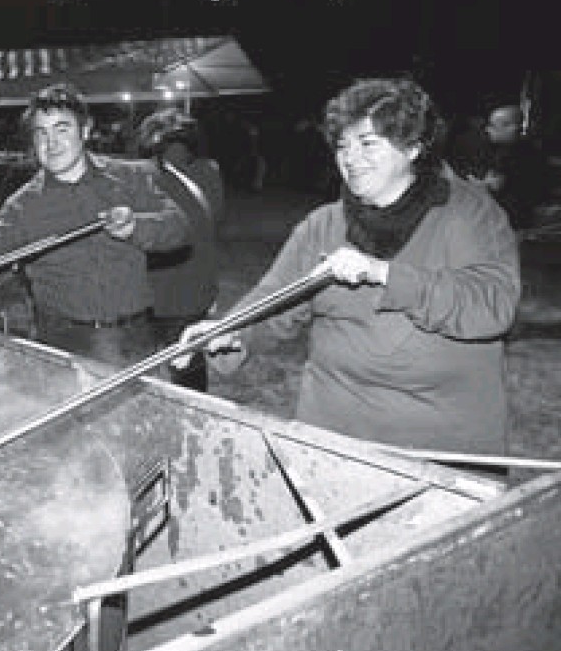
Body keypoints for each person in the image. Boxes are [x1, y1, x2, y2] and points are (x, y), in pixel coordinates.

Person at [178, 78, 521, 460]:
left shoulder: (470, 215)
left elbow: (492, 306)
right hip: (333, 438)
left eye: (367, 143)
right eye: (342, 145)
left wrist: (384, 274)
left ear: (413, 147)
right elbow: (273, 301)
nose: (350, 158)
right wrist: (232, 331)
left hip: (440, 447)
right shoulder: (324, 225)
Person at [0, 83, 191, 368]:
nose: (51, 143)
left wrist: (135, 227)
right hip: (64, 342)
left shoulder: (131, 178)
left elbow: (180, 228)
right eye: (41, 133)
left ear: (84, 131)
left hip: (135, 336)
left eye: (62, 129)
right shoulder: (22, 205)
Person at [135, 108, 224, 391]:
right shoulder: (210, 171)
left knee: (142, 370)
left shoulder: (143, 176)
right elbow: (213, 226)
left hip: (154, 291)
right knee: (190, 371)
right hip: (197, 289)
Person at [482, 103, 549, 231]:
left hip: (508, 218)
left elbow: (495, 186)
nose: (487, 129)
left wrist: (479, 184)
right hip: (527, 216)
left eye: (492, 125)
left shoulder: (506, 154)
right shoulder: (532, 150)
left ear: (512, 128)